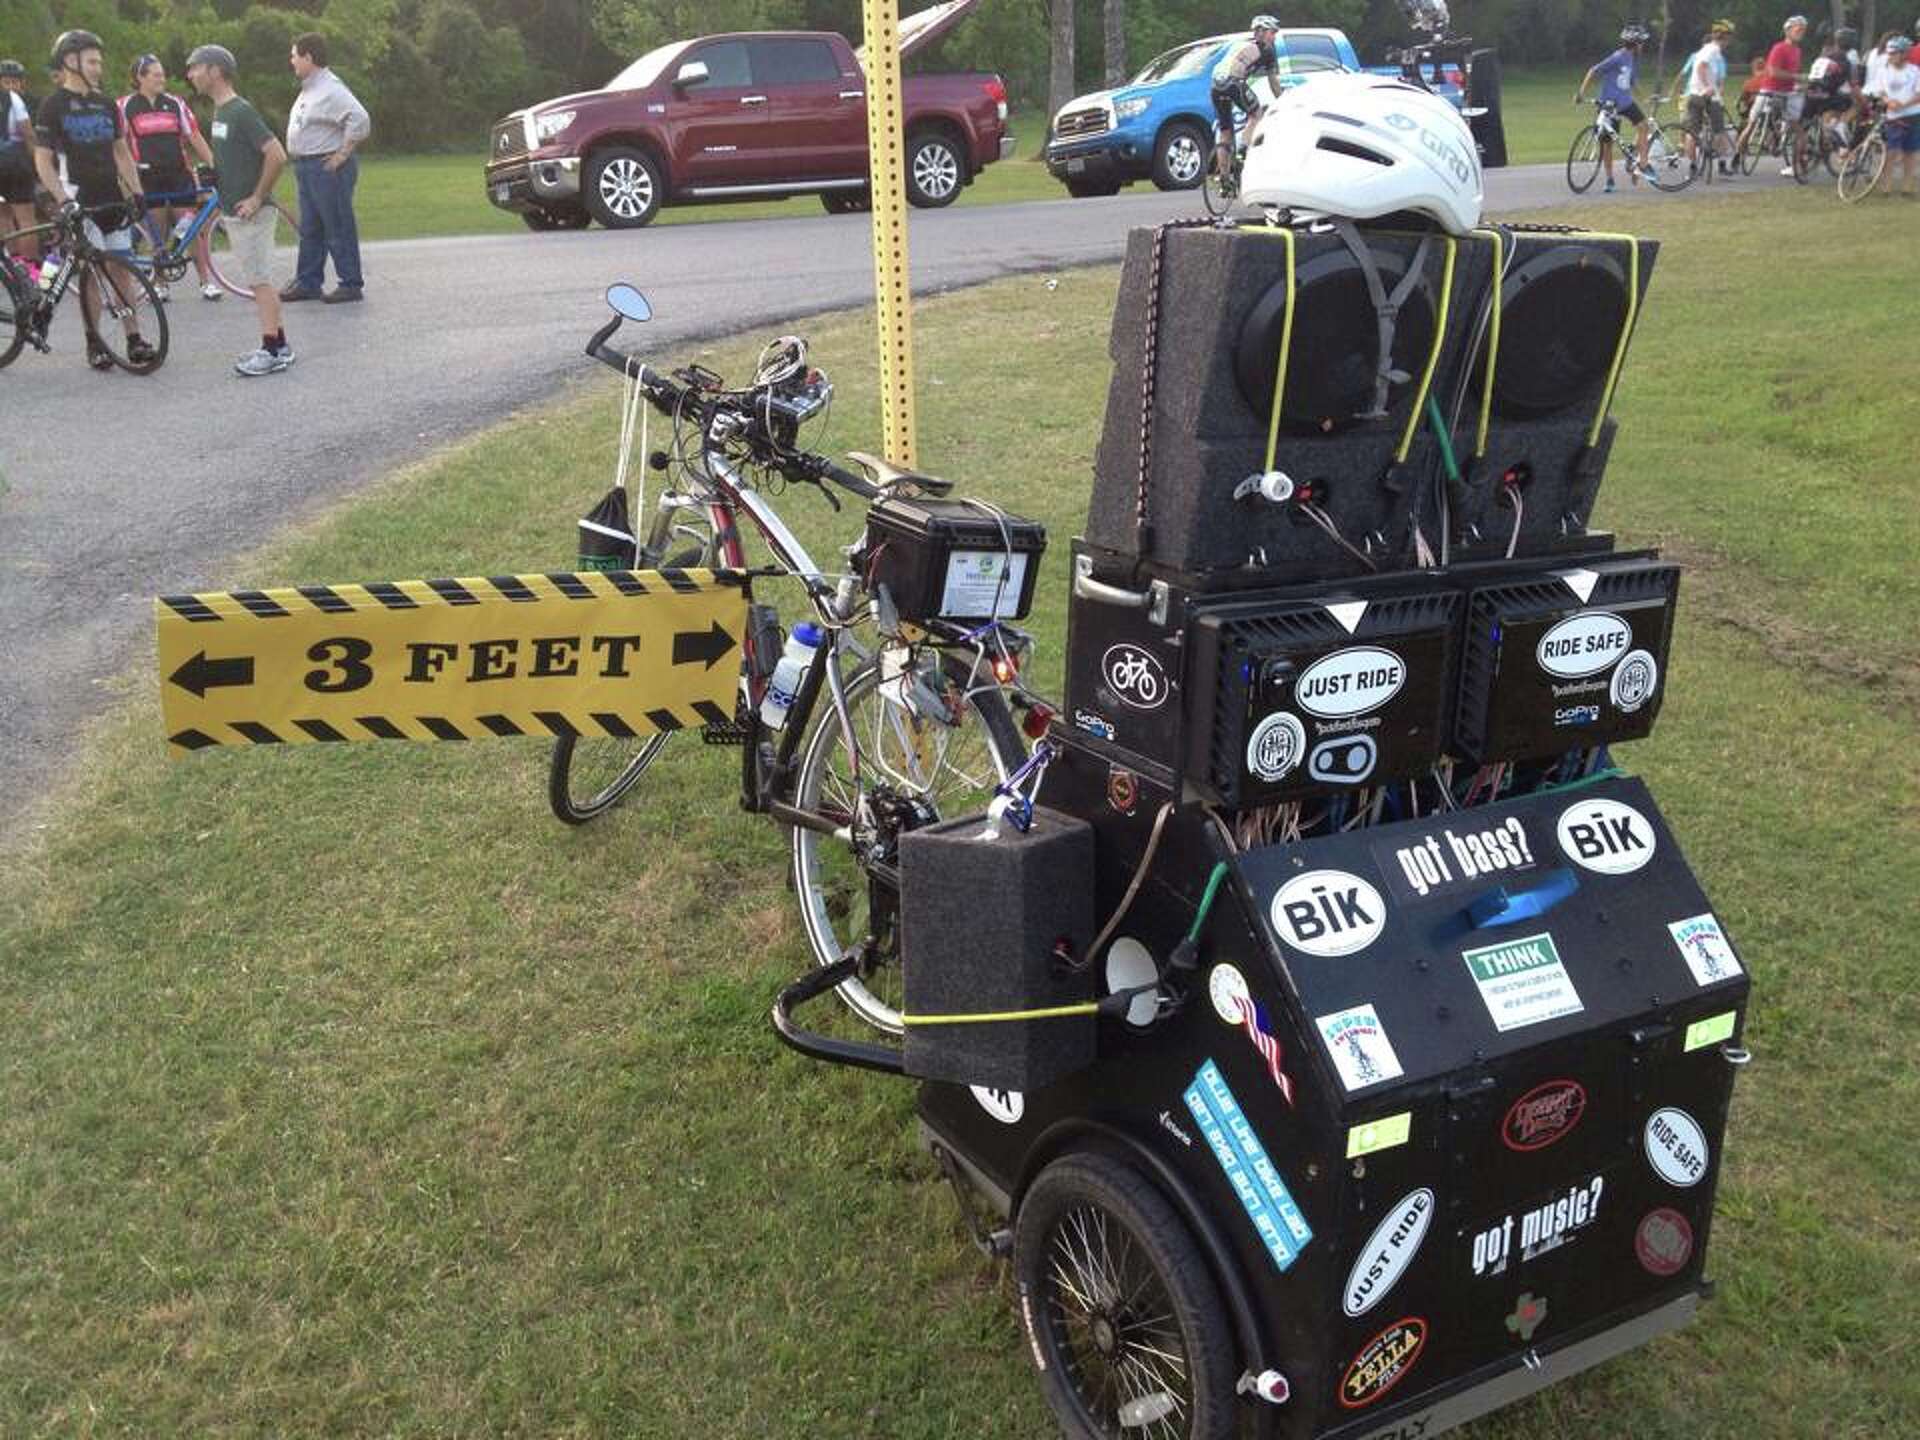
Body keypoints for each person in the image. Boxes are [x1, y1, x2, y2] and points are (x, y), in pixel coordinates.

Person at [33, 30, 157, 372]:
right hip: (78, 199)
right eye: (92, 61)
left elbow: (121, 151)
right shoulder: (52, 106)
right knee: (89, 274)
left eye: (100, 61)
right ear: (70, 62)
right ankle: (96, 341)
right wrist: (62, 200)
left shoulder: (106, 104)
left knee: (122, 268)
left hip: (111, 198)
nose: (98, 67)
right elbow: (42, 160)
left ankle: (134, 338)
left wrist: (137, 192)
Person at [184, 43, 293, 376]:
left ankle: (271, 350)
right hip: (234, 210)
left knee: (260, 282)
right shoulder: (220, 112)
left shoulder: (239, 110)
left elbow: (277, 154)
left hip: (252, 214)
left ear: (215, 71)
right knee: (259, 279)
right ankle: (282, 345)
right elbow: (233, 157)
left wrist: (257, 197)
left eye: (196, 68)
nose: (190, 75)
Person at [118, 53, 219, 300]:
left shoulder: (176, 103)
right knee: (157, 234)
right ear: (140, 78)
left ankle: (206, 282)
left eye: (162, 74)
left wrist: (216, 164)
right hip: (147, 178)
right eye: (156, 74)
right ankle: (161, 284)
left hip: (178, 175)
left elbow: (194, 137)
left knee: (190, 231)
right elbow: (118, 145)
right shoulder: (124, 106)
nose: (162, 78)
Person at [281, 33, 369, 304]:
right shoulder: (310, 87)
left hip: (326, 167)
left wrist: (342, 154)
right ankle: (308, 282)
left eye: (295, 55)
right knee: (311, 228)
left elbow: (360, 118)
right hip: (307, 167)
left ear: (309, 57)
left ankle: (350, 283)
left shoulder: (331, 88)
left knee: (337, 225)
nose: (291, 60)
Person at [1575, 24, 1653, 193]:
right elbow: (1593, 71)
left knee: (1643, 126)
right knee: (1607, 144)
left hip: (1626, 102)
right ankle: (1610, 179)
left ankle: (1643, 164)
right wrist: (1581, 93)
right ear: (1636, 43)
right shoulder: (1617, 57)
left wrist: (1644, 98)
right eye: (1642, 43)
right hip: (1609, 105)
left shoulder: (1633, 59)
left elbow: (1632, 82)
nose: (1643, 46)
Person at [1210, 15, 1280, 184]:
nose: (1274, 36)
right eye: (1272, 32)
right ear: (1262, 32)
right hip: (1234, 83)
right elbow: (1274, 84)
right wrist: (1281, 100)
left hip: (1216, 87)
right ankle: (1242, 149)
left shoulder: (1238, 45)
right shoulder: (1267, 50)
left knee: (1226, 130)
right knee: (1256, 114)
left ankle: (1224, 179)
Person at [1741, 14, 1808, 176]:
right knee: (1751, 123)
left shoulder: (1797, 51)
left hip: (1787, 92)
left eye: (1803, 30)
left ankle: (1797, 166)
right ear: (1788, 31)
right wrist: (1796, 77)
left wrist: (1800, 84)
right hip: (1770, 90)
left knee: (1799, 131)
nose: (1801, 32)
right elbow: (1773, 71)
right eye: (1797, 29)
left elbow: (1792, 74)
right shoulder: (1779, 48)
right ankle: (1738, 155)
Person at [1676, 21, 1735, 173]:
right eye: (1730, 37)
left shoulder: (1704, 49)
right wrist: (1707, 86)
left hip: (1693, 95)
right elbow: (1701, 66)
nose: (1730, 41)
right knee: (1719, 131)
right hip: (1708, 96)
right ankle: (1721, 164)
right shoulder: (1713, 50)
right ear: (1725, 37)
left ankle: (1693, 166)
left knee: (1692, 133)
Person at [1865, 35, 1920, 195]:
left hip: (1913, 114)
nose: (1890, 56)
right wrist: (1888, 100)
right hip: (1893, 116)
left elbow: (1918, 93)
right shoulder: (1883, 71)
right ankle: (1886, 185)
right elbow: (1880, 90)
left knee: (1910, 151)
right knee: (1891, 150)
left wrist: (1904, 104)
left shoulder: (1915, 71)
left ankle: (1907, 185)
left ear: (1904, 54)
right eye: (1889, 53)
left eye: (1894, 53)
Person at [1, 58, 38, 266]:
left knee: (4, 217)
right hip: (15, 162)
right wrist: (37, 163)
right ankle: (30, 268)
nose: (11, 85)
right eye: (7, 81)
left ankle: (13, 268)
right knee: (26, 219)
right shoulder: (13, 98)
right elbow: (28, 134)